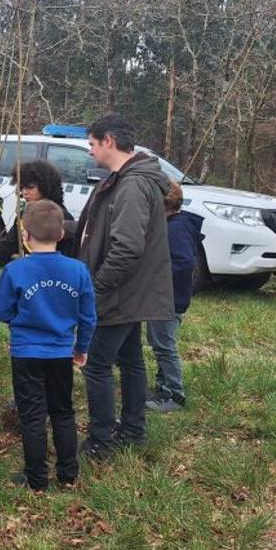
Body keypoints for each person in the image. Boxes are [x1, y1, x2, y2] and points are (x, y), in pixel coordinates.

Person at [74, 114, 174, 461]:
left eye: (92, 144)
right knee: (130, 360)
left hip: (120, 293)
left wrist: (97, 287)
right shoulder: (125, 179)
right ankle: (133, 430)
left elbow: (127, 247)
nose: (90, 151)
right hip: (131, 292)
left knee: (96, 364)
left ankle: (101, 441)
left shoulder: (132, 185)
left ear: (109, 141)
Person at [0, 200, 96, 491]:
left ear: (25, 235)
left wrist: (20, 317)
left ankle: (37, 479)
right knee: (63, 411)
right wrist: (81, 347)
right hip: (62, 353)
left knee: (32, 415)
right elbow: (88, 317)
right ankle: (68, 474)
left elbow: (1, 311)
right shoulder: (78, 270)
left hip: (26, 353)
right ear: (61, 234)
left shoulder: (15, 270)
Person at [146, 181, 204, 413]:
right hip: (164, 297)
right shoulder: (173, 225)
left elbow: (184, 262)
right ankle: (162, 388)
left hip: (168, 299)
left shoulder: (176, 229)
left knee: (164, 345)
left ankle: (175, 394)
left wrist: (154, 275)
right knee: (158, 341)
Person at [0, 158, 77, 264]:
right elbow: (6, 248)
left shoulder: (61, 216)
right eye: (22, 187)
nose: (24, 192)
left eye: (30, 187)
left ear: (45, 186)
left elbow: (69, 256)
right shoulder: (24, 215)